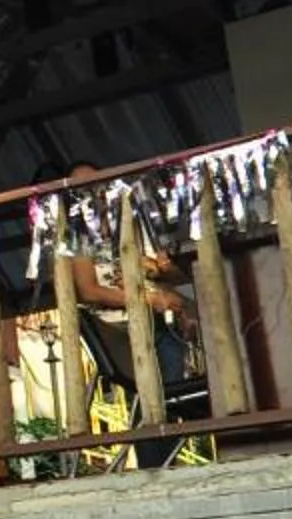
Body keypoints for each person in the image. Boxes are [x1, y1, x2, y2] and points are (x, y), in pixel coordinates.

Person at [62, 161, 195, 404]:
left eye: (96, 185)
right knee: (152, 388)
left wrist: (158, 271)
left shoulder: (128, 222)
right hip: (115, 328)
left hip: (151, 317)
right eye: (81, 189)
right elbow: (89, 291)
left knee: (189, 325)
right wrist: (148, 298)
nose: (91, 192)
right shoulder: (77, 234)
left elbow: (168, 273)